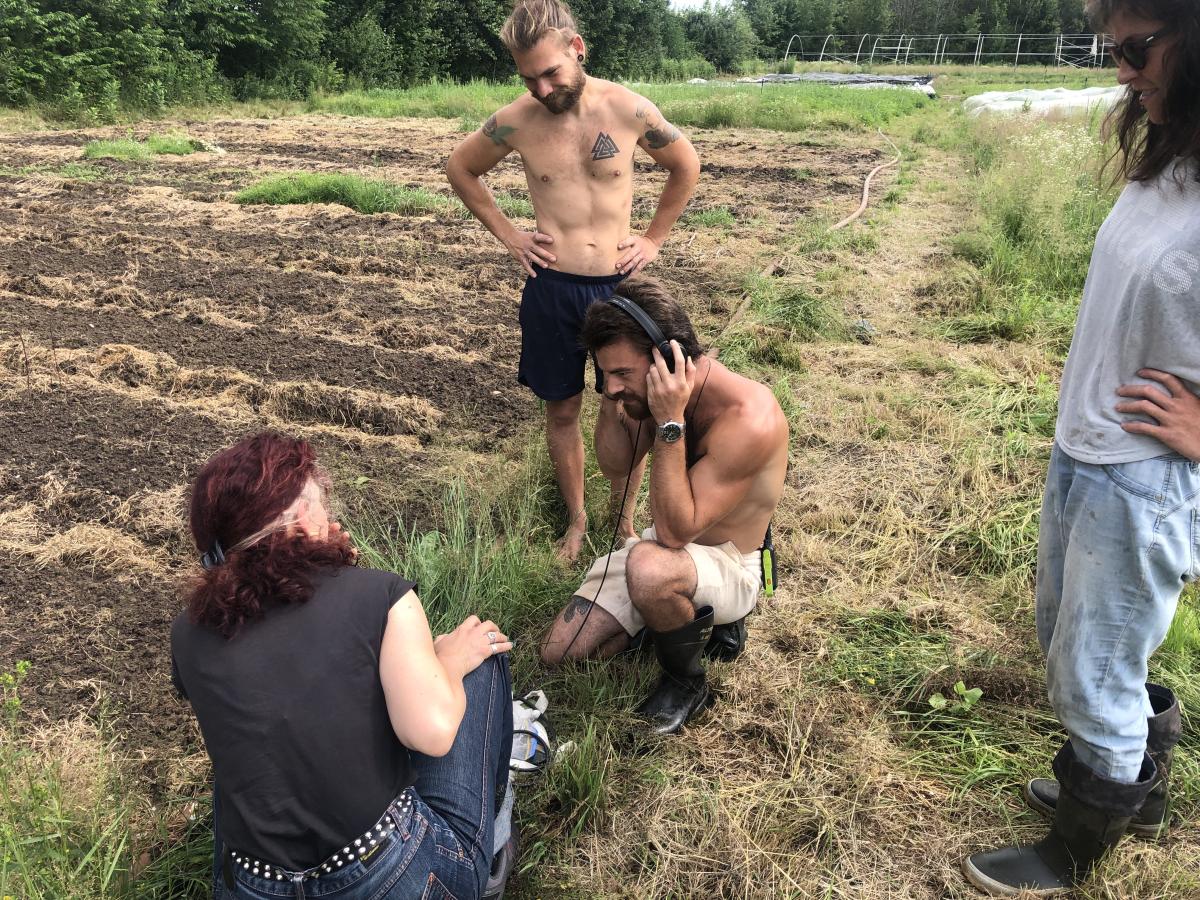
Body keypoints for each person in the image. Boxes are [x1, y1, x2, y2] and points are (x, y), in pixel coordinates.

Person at [962, 1, 1200, 894]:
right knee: (1080, 644)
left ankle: (1074, 854)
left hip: (1141, 472)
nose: (1120, 72)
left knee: (1097, 661)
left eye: (1137, 48)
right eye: (1112, 50)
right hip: (1091, 446)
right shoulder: (1173, 153)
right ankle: (1130, 790)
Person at [170, 433, 515, 899]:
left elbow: (288, 683)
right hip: (383, 873)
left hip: (252, 884)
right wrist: (448, 662)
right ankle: (487, 856)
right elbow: (431, 732)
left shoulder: (188, 632)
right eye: (320, 501)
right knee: (481, 660)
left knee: (254, 740)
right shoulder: (378, 593)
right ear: (296, 516)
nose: (329, 515)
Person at [446, 0, 701, 564]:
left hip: (618, 289)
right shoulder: (516, 120)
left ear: (576, 49)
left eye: (550, 72)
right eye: (528, 77)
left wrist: (654, 239)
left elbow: (686, 164)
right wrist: (510, 235)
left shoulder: (629, 109)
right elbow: (459, 167)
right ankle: (579, 522)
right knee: (561, 410)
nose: (540, 87)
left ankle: (625, 518)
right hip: (552, 287)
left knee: (629, 405)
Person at [538, 277, 788, 734]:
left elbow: (676, 532)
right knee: (559, 652)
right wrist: (619, 399)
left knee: (650, 570)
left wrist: (670, 422)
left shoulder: (750, 418)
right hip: (667, 548)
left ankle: (687, 680)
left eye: (621, 374)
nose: (611, 387)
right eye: (603, 373)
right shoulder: (637, 394)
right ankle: (673, 622)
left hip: (729, 559)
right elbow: (615, 464)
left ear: (667, 359)